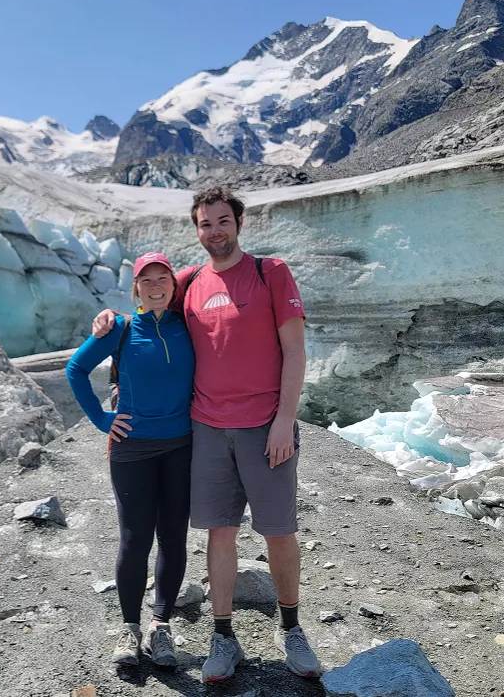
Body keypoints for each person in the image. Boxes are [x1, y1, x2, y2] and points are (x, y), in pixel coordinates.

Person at [91, 186, 321, 683]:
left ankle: (292, 628)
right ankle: (223, 635)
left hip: (265, 427)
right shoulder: (188, 281)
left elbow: (296, 351)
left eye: (222, 221)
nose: (214, 231)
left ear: (238, 223)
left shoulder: (270, 272)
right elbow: (147, 308)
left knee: (279, 530)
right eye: (205, 224)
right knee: (220, 530)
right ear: (196, 230)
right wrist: (108, 320)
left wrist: (285, 419)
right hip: (208, 429)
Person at [65, 252, 196, 669]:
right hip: (132, 448)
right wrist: (103, 420)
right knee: (135, 538)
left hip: (181, 444)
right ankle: (129, 627)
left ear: (174, 286)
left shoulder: (187, 325)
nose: (156, 285)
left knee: (173, 536)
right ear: (135, 288)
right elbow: (76, 369)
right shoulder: (120, 328)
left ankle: (160, 626)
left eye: (163, 278)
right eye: (147, 280)